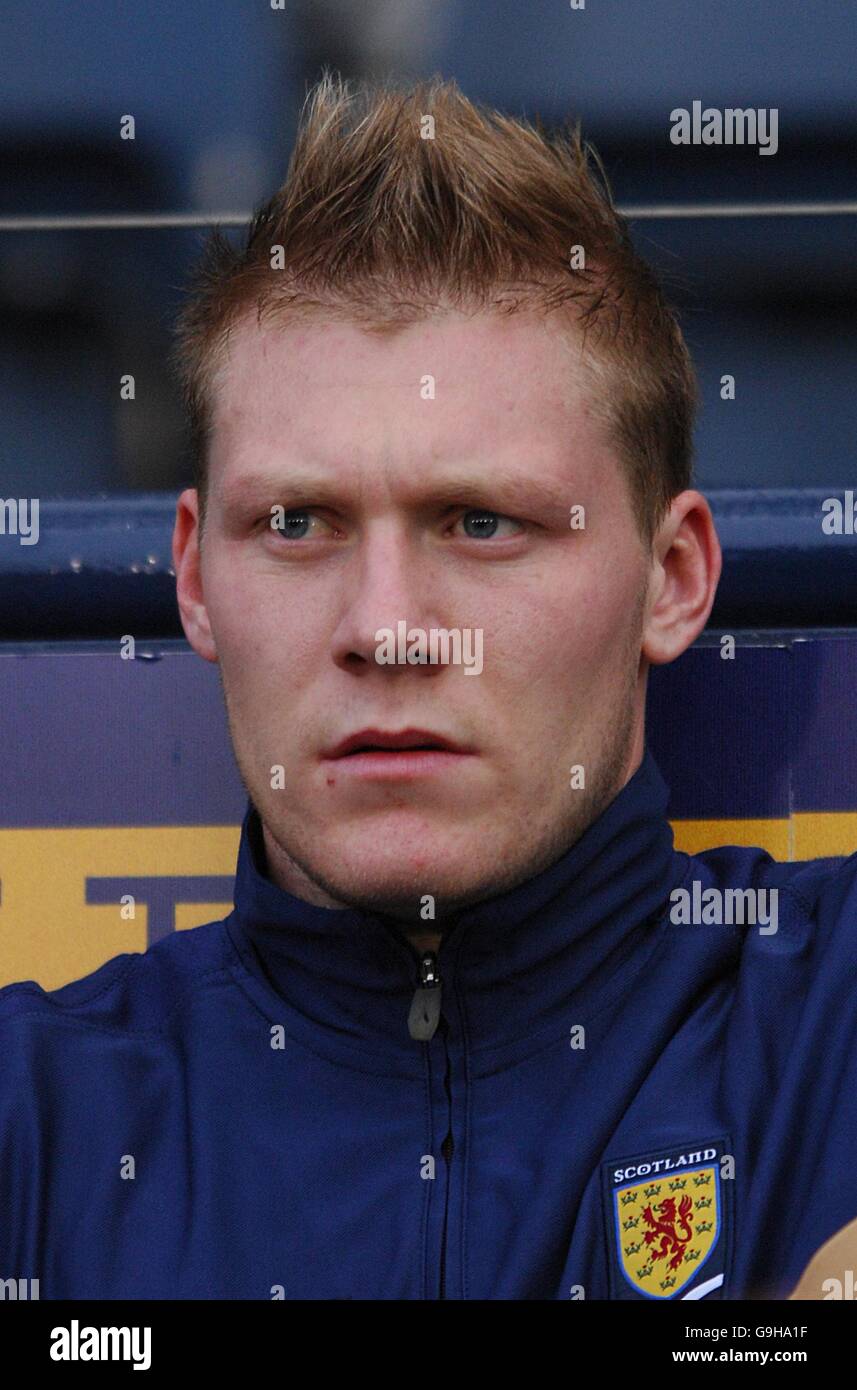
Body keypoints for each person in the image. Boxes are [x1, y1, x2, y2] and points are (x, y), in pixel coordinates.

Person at [2, 74, 856, 1302]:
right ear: (192, 577)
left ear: (669, 577)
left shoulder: (829, 1017)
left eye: (480, 522)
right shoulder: (33, 1122)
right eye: (298, 522)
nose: (389, 628)